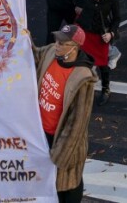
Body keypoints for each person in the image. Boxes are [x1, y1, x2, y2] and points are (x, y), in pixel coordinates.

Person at [34, 24, 96, 203]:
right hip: (43, 134)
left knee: (68, 184)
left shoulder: (82, 77)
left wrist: (60, 153)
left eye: (62, 43)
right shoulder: (51, 53)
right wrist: (23, 37)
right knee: (52, 182)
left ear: (74, 48)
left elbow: (77, 122)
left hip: (66, 142)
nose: (57, 45)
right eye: (57, 40)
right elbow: (34, 55)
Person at [77, 0, 120, 106]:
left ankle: (106, 89)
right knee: (84, 62)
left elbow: (117, 18)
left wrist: (111, 33)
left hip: (101, 35)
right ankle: (84, 86)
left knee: (102, 64)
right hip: (86, 33)